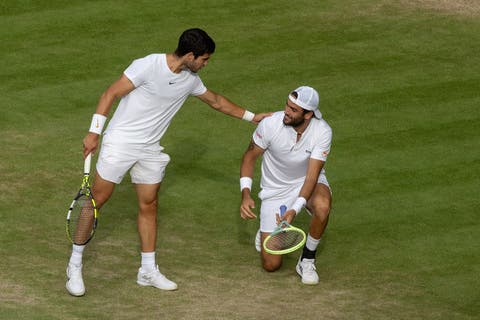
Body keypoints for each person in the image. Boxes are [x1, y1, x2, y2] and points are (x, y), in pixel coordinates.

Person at [66, 28, 270, 296]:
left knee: (149, 204)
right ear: (189, 55)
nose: (206, 65)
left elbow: (217, 101)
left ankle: (147, 270)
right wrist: (94, 132)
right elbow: (110, 93)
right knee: (97, 200)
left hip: (151, 150)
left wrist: (253, 117)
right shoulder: (147, 66)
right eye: (204, 59)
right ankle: (75, 264)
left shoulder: (190, 79)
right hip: (120, 143)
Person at [239, 86, 332, 285]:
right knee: (271, 265)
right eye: (287, 106)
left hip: (306, 181)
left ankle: (307, 259)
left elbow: (311, 178)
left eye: (294, 110)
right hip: (275, 190)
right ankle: (269, 227)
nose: (287, 112)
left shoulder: (322, 131)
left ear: (308, 115)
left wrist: (294, 210)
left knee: (323, 206)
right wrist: (245, 193)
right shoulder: (270, 124)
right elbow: (249, 157)